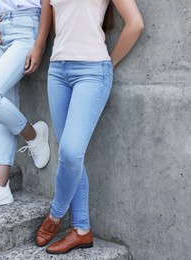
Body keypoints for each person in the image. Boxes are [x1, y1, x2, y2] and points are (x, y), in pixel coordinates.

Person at [35, 0, 144, 254]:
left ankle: (55, 215)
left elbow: (135, 24)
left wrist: (109, 63)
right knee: (71, 155)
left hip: (93, 71)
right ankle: (82, 230)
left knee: (71, 152)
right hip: (57, 71)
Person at [0, 0, 52, 210]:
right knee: (3, 104)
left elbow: (46, 3)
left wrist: (39, 46)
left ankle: (32, 134)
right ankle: (1, 186)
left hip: (26, 27)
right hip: (0, 29)